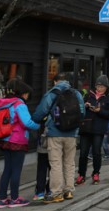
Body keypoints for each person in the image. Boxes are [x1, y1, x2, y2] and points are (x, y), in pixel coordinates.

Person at [32, 72, 85, 203]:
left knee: (55, 163)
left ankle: (56, 192)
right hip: (72, 134)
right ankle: (69, 191)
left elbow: (41, 112)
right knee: (69, 162)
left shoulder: (52, 93)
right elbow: (82, 112)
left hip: (55, 133)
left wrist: (35, 120)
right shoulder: (76, 94)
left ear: (56, 82)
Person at [0, 78, 40, 208]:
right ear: (22, 92)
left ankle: (3, 199)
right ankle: (15, 198)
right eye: (26, 93)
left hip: (5, 140)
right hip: (17, 141)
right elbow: (26, 122)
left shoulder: (3, 103)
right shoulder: (19, 104)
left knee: (7, 169)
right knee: (16, 170)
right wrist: (38, 125)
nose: (27, 96)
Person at [75, 75, 109, 186]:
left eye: (102, 86)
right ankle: (81, 175)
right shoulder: (88, 95)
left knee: (96, 152)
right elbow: (80, 109)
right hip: (86, 128)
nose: (100, 88)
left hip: (99, 129)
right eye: (98, 86)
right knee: (83, 153)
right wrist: (85, 106)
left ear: (107, 87)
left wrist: (100, 110)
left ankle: (96, 173)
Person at [33, 120, 50, 202]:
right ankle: (50, 189)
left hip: (42, 145)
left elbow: (35, 120)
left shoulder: (41, 111)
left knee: (41, 169)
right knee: (53, 169)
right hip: (54, 146)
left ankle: (40, 191)